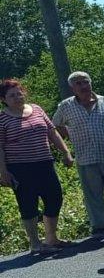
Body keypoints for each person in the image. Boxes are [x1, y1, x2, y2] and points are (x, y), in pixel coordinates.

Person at [52, 71, 104, 239]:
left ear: (90, 83)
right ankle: (99, 228)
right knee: (93, 195)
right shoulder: (65, 106)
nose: (83, 86)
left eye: (85, 82)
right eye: (78, 84)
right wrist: (68, 136)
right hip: (85, 156)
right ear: (72, 88)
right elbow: (54, 126)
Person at [0, 79, 75, 255]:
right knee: (28, 204)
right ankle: (35, 243)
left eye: (19, 93)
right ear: (4, 99)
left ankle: (51, 238)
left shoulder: (37, 109)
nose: (17, 97)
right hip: (20, 167)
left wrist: (66, 152)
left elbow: (52, 132)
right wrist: (3, 171)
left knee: (55, 197)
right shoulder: (2, 118)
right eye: (12, 95)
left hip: (44, 163)